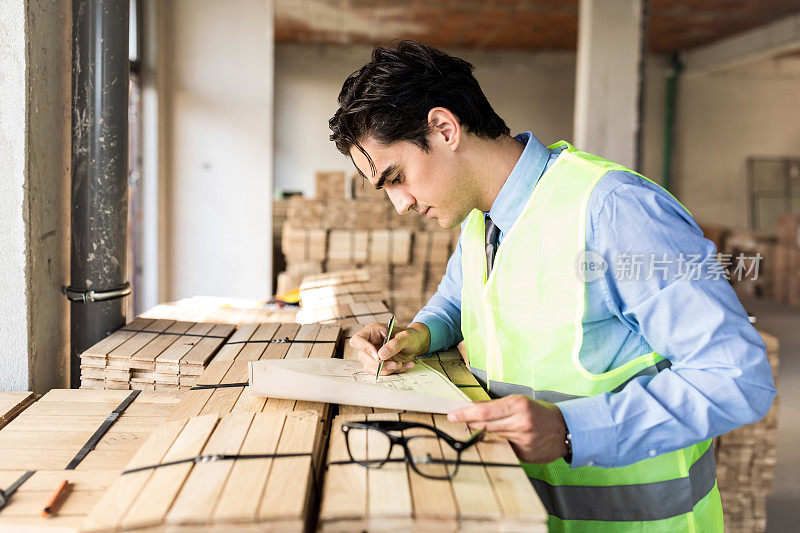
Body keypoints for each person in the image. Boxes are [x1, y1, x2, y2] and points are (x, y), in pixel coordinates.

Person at [329, 39, 776, 531]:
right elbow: (459, 299)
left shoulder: (616, 210)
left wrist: (570, 431)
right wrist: (419, 332)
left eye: (397, 177)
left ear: (444, 128)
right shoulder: (481, 220)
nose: (401, 204)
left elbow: (737, 375)